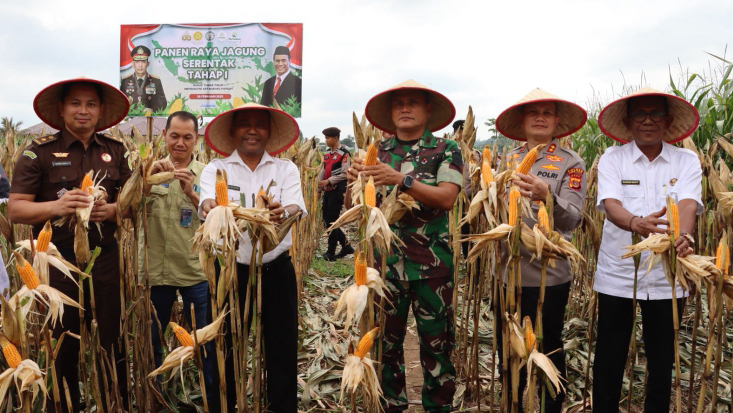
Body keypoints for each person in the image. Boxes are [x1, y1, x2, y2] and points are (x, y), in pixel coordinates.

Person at [9, 78, 131, 412]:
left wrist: (112, 210)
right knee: (63, 345)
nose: (83, 111)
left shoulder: (116, 151)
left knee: (112, 342)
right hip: (55, 265)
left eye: (91, 104)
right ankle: (63, 406)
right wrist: (57, 207)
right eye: (75, 103)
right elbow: (16, 208)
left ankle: (114, 404)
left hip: (104, 260)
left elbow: (133, 203)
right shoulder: (39, 151)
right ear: (62, 109)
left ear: (101, 110)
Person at [349, 80, 463, 413]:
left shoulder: (446, 150)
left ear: (428, 111)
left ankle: (438, 406)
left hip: (432, 267)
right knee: (385, 346)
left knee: (437, 346)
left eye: (413, 102)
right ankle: (391, 405)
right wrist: (354, 179)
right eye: (399, 103)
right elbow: (355, 208)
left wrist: (401, 179)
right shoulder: (377, 151)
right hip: (383, 267)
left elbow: (447, 198)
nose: (405, 108)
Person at [592, 88, 702, 413]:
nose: (648, 120)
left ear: (668, 121)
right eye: (640, 114)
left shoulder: (687, 160)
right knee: (610, 355)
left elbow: (688, 204)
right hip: (618, 272)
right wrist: (636, 223)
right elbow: (611, 205)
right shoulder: (613, 158)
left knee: (662, 357)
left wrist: (683, 235)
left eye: (656, 114)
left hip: (668, 275)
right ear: (628, 122)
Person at [199, 102, 305, 412]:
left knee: (282, 347)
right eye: (244, 123)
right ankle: (225, 405)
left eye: (260, 124)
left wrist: (280, 211)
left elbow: (296, 207)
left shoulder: (285, 168)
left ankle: (281, 407)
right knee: (225, 346)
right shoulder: (216, 169)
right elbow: (208, 202)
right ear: (232, 131)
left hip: (276, 270)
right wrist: (210, 207)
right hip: (231, 270)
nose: (252, 130)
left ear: (269, 132)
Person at [495, 88, 588, 413]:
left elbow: (574, 217)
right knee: (508, 349)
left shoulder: (571, 165)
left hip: (550, 276)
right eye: (533, 112)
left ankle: (552, 405)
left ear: (557, 122)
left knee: (549, 347)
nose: (539, 117)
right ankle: (512, 405)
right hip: (506, 274)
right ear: (522, 121)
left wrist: (548, 195)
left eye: (546, 112)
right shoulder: (505, 160)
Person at [139, 110, 216, 402]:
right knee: (153, 339)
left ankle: (211, 396)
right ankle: (155, 398)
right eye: (175, 136)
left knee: (203, 339)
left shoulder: (208, 175)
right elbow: (127, 211)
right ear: (164, 136)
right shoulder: (148, 171)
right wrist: (145, 180)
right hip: (156, 271)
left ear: (196, 140)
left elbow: (220, 220)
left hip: (195, 270)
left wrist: (192, 194)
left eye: (187, 137)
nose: (180, 143)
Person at [319, 126, 354, 261]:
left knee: (331, 221)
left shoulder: (344, 154)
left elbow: (345, 174)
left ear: (335, 138)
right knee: (326, 221)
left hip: (337, 191)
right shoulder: (327, 154)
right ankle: (346, 247)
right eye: (325, 138)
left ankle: (331, 252)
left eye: (328, 138)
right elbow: (323, 170)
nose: (326, 140)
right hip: (327, 191)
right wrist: (319, 188)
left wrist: (329, 181)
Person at [120, 45, 167, 113]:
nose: (140, 65)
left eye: (143, 62)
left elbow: (163, 102)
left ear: (148, 64)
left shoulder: (155, 81)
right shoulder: (126, 81)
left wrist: (152, 110)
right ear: (133, 64)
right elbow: (121, 101)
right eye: (137, 62)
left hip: (150, 117)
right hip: (131, 118)